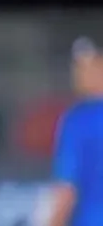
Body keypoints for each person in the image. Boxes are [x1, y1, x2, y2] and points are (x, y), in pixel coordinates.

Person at [49, 37, 103, 226]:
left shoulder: (78, 120)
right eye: (78, 66)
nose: (79, 73)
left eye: (89, 65)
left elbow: (66, 192)